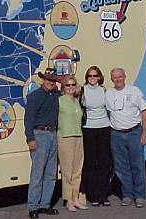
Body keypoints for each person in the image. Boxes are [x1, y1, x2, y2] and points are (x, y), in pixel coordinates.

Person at [105, 68, 146, 208]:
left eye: (120, 76)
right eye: (115, 77)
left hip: (134, 132)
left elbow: (144, 111)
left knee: (137, 166)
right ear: (112, 79)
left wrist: (144, 133)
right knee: (121, 167)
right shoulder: (108, 94)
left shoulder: (135, 91)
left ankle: (139, 195)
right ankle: (127, 195)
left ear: (125, 77)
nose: (118, 79)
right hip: (116, 134)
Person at [24, 68, 60, 219]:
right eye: (48, 79)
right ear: (42, 80)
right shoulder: (34, 97)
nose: (50, 82)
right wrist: (30, 138)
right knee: (37, 174)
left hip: (53, 134)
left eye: (53, 80)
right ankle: (33, 206)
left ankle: (45, 204)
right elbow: (28, 120)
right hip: (39, 135)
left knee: (51, 173)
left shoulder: (57, 95)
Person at [81, 66, 111, 206]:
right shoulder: (82, 90)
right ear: (87, 78)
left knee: (104, 163)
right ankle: (92, 195)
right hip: (88, 129)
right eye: (89, 76)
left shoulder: (104, 90)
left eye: (95, 76)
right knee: (90, 163)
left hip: (104, 127)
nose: (92, 78)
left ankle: (104, 195)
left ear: (99, 77)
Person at [57, 75, 88, 212]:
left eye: (72, 85)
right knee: (67, 171)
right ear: (63, 87)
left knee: (77, 170)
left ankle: (75, 198)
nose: (70, 88)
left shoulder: (76, 101)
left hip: (78, 136)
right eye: (67, 85)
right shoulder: (59, 101)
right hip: (65, 137)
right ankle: (68, 199)